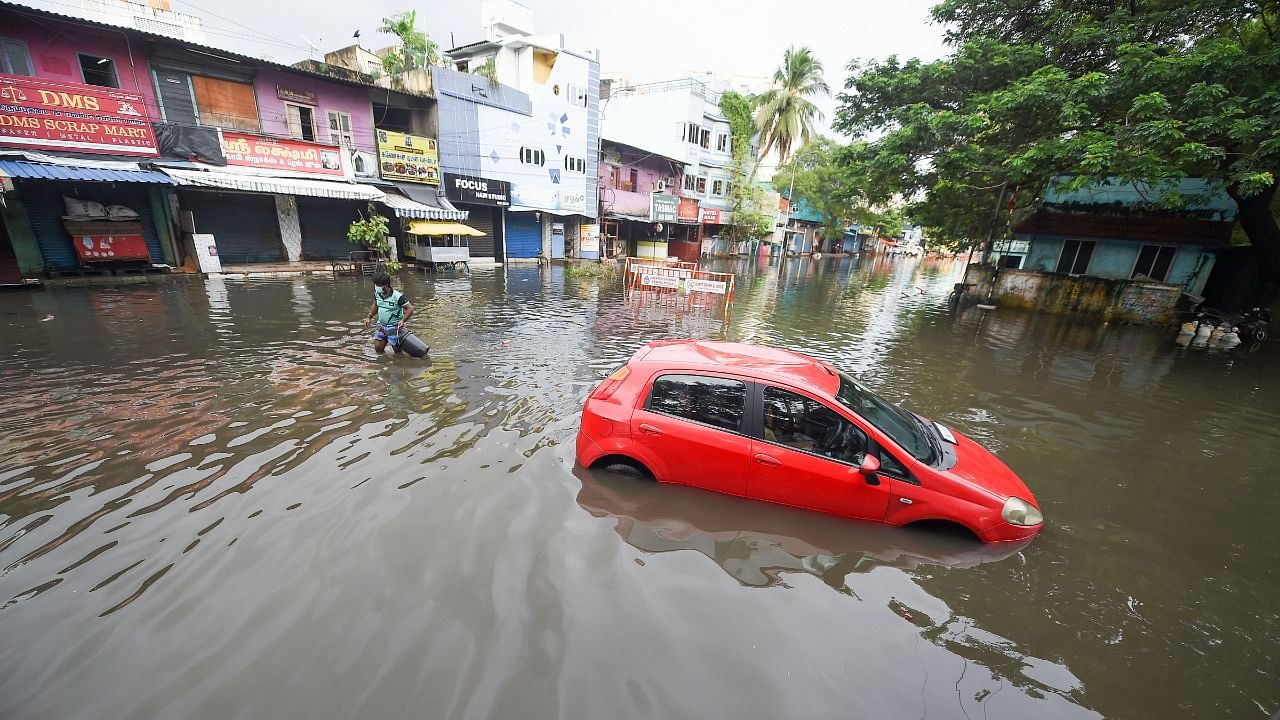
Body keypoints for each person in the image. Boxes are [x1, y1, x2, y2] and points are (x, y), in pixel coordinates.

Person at [363, 271, 414, 353]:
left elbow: (410, 308)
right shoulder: (377, 294)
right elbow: (375, 305)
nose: (376, 287)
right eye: (375, 285)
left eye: (379, 285)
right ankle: (382, 363)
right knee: (378, 348)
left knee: (397, 351)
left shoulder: (397, 296)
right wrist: (369, 317)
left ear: (386, 285)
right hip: (381, 325)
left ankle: (398, 364)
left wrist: (403, 320)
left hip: (395, 327)